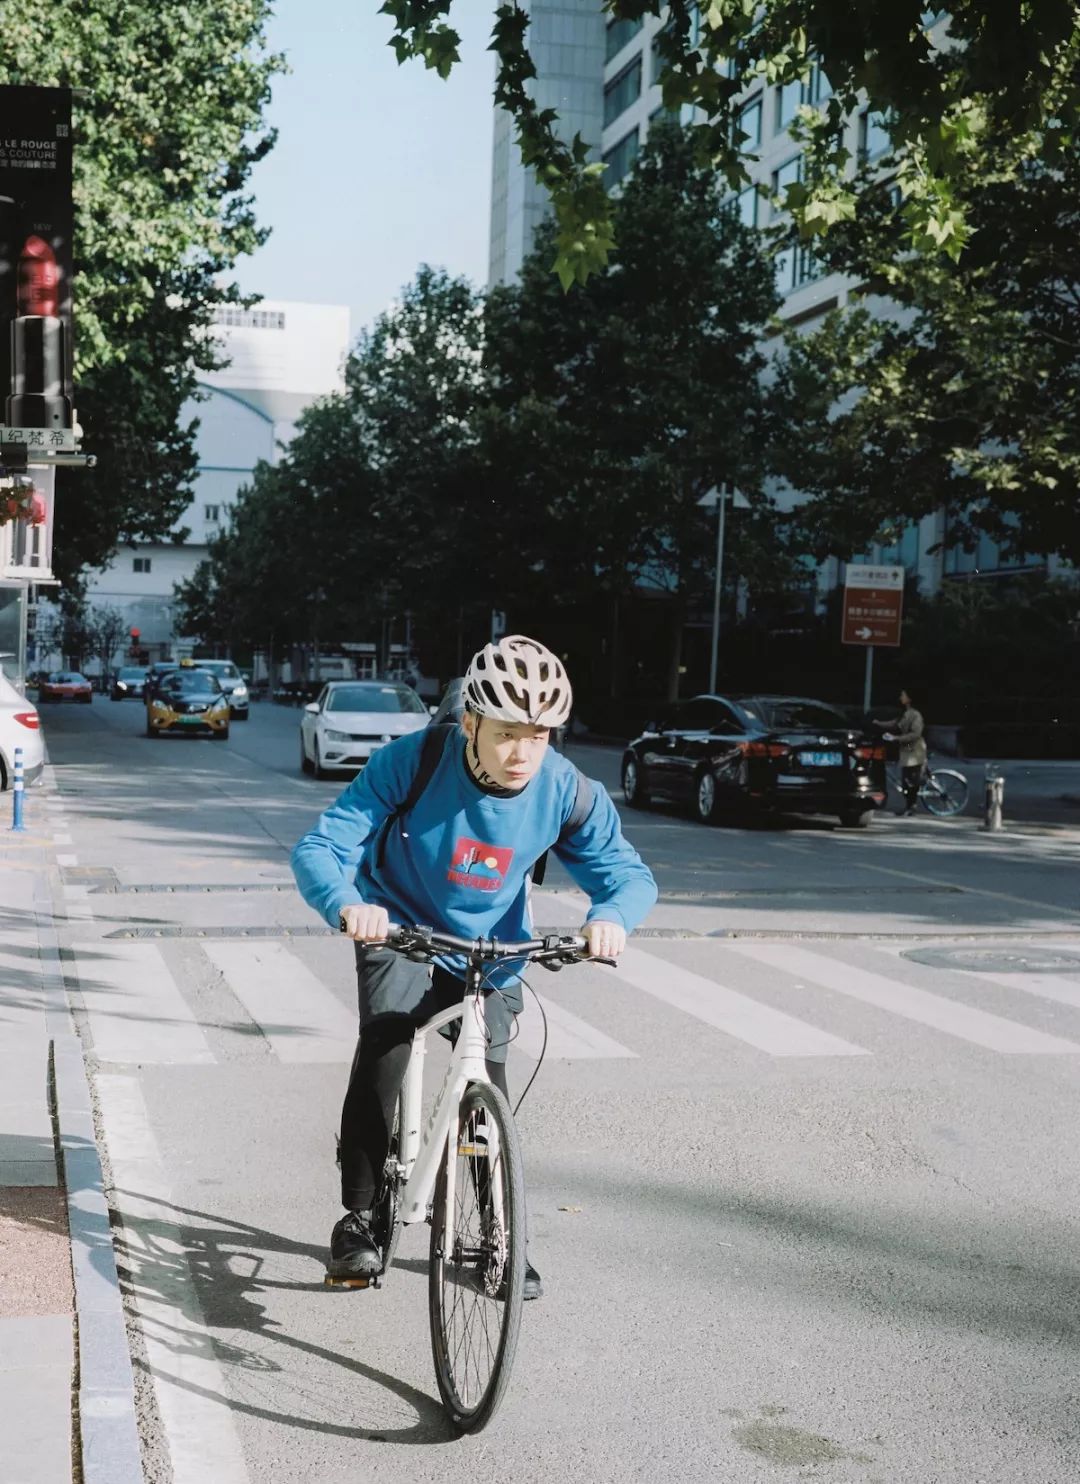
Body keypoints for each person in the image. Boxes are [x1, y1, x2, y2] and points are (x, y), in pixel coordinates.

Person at [291, 634, 657, 1300]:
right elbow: (324, 846)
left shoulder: (565, 789)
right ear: (471, 723)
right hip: (397, 925)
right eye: (509, 733)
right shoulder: (414, 761)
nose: (524, 752)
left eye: (540, 735)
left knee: (487, 1086)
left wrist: (611, 919)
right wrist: (348, 904)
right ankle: (361, 1219)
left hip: (493, 947)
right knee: (388, 1045)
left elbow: (626, 874)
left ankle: (497, 1236)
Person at [878, 689, 927, 816]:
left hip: (914, 746)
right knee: (906, 778)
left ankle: (912, 807)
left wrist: (896, 738)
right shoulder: (906, 713)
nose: (901, 697)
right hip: (907, 747)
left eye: (903, 695)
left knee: (911, 779)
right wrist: (878, 724)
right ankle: (909, 806)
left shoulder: (915, 715)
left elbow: (915, 734)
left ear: (909, 698)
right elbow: (896, 724)